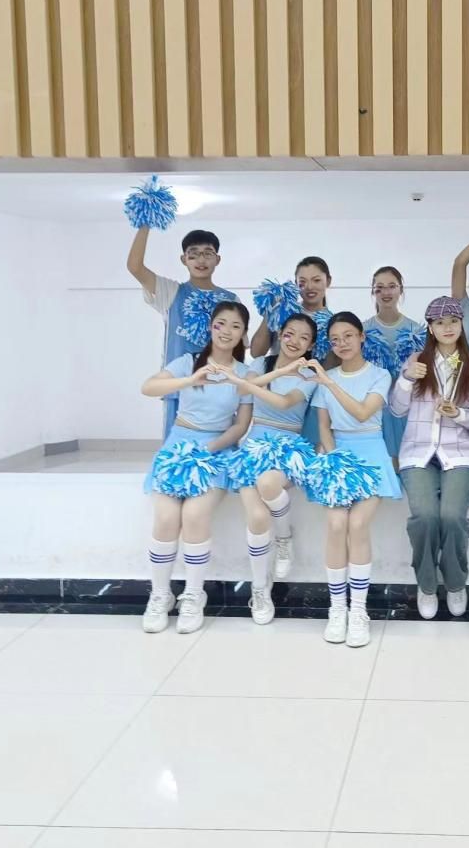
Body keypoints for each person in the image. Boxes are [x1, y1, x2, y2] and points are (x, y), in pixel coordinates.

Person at [139, 301, 253, 635]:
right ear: (211, 327)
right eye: (221, 323)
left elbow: (240, 425)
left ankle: (193, 594)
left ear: (243, 334)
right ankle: (160, 595)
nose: (227, 331)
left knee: (194, 515)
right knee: (166, 518)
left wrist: (209, 449)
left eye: (235, 326)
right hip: (178, 445)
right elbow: (148, 387)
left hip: (217, 449)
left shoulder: (244, 374)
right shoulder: (188, 362)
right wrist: (190, 380)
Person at [309, 312, 404, 648]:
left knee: (358, 523)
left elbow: (364, 413)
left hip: (372, 453)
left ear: (362, 336)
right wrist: (335, 461)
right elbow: (324, 427)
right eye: (335, 339)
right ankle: (338, 609)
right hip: (339, 455)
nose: (342, 343)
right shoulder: (326, 379)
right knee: (336, 524)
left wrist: (329, 383)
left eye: (348, 336)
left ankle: (359, 610)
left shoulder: (379, 375)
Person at [390, 297, 469, 620]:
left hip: (460, 454)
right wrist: (407, 378)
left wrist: (458, 413)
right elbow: (397, 409)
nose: (447, 328)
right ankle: (427, 584)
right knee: (424, 517)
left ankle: (456, 582)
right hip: (418, 452)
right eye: (440, 322)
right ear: (430, 328)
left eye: (453, 321)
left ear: (461, 325)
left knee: (452, 516)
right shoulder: (415, 363)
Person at [222, 313, 320, 623]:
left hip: (289, 447)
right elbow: (242, 392)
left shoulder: (310, 375)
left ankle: (285, 537)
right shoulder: (260, 364)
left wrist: (266, 379)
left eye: (304, 337)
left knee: (268, 484)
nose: (295, 341)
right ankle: (260, 588)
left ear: (311, 344)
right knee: (256, 516)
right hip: (253, 446)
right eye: (290, 333)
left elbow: (284, 402)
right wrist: (277, 371)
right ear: (280, 334)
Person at [127, 227, 238, 436]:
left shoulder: (231, 300)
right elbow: (135, 267)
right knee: (177, 448)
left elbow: (239, 346)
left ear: (217, 259)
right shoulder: (171, 291)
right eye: (193, 254)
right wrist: (145, 225)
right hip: (178, 386)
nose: (201, 260)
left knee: (220, 446)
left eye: (208, 253)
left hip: (220, 388)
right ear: (183, 259)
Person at [363, 266, 423, 457]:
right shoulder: (363, 330)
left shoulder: (416, 331)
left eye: (391, 286)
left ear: (401, 289)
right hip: (373, 404)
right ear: (373, 292)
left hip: (407, 405)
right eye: (380, 288)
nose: (386, 292)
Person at [251, 256, 333, 357]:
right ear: (296, 284)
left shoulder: (332, 323)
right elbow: (256, 353)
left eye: (316, 280)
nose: (309, 287)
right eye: (302, 282)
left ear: (328, 281)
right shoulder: (283, 310)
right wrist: (270, 312)